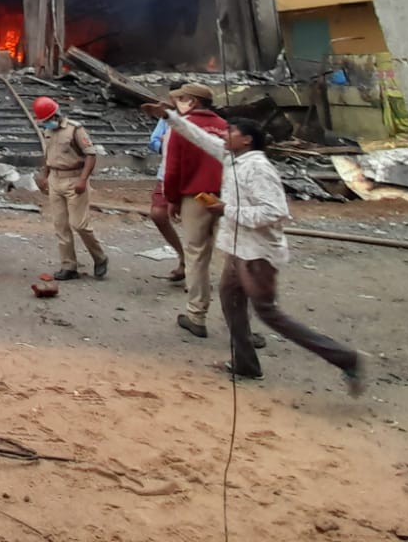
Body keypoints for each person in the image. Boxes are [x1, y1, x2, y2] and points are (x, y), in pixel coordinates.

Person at [143, 104, 365, 394]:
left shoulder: (259, 169)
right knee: (231, 302)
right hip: (237, 251)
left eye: (231, 132)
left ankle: (345, 358)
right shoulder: (233, 159)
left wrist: (227, 209)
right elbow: (199, 137)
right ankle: (246, 363)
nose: (224, 135)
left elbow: (274, 213)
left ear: (247, 139)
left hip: (258, 255)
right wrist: (168, 117)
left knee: (268, 313)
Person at [162, 82, 228, 337]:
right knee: (230, 259)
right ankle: (239, 323)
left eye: (183, 98)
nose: (179, 102)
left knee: (196, 255)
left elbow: (173, 168)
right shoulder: (226, 127)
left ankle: (196, 315)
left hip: (195, 198)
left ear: (194, 102)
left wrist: (172, 199)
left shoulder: (182, 128)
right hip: (226, 197)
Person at [32, 97, 108, 280]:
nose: (46, 123)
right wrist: (44, 175)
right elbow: (49, 155)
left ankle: (100, 257)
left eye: (47, 120)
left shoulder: (75, 129)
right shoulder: (48, 131)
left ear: (56, 115)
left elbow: (90, 155)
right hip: (55, 179)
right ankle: (69, 266)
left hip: (74, 178)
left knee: (79, 224)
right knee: (61, 225)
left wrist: (83, 180)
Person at [148, 115, 186, 282]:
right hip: (167, 175)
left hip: (192, 177)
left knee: (196, 223)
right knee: (158, 214)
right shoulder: (167, 119)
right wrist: (168, 147)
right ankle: (183, 256)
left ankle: (196, 272)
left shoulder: (204, 121)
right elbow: (154, 141)